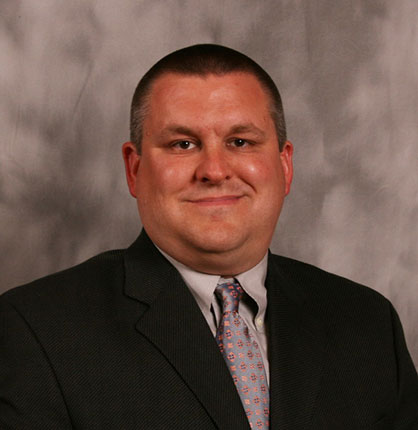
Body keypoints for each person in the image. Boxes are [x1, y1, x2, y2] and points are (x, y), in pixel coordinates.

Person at [1, 44, 417, 429]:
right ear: (134, 169)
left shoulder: (367, 324)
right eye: (183, 144)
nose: (214, 170)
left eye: (240, 141)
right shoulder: (36, 331)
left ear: (284, 165)